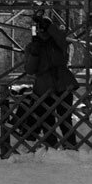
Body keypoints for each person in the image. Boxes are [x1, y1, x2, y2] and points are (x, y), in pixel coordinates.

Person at [25, 12, 79, 149]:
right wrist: (34, 54)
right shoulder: (32, 47)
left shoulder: (59, 43)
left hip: (62, 84)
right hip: (44, 86)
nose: (42, 31)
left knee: (65, 118)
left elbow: (62, 38)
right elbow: (30, 70)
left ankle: (70, 146)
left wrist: (50, 26)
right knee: (46, 119)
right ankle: (51, 146)